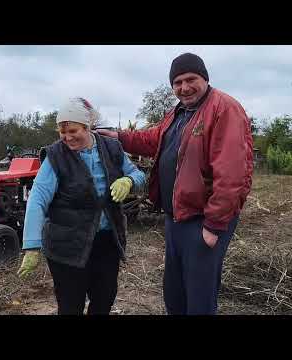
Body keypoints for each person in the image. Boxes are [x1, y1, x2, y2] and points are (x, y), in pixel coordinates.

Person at [97, 53, 253, 315]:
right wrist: (119, 137)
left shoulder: (224, 109)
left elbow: (233, 174)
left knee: (199, 295)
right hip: (177, 217)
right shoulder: (178, 112)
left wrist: (214, 225)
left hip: (203, 219)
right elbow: (153, 140)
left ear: (204, 78)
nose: (184, 87)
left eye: (190, 79)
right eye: (177, 82)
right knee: (175, 291)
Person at [17, 97, 146, 315]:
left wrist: (129, 181)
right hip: (66, 244)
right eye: (62, 132)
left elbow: (138, 174)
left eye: (73, 131)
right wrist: (31, 245)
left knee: (105, 298)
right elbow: (38, 197)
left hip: (106, 242)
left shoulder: (112, 148)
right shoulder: (56, 156)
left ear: (88, 127)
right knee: (70, 305)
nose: (67, 138)